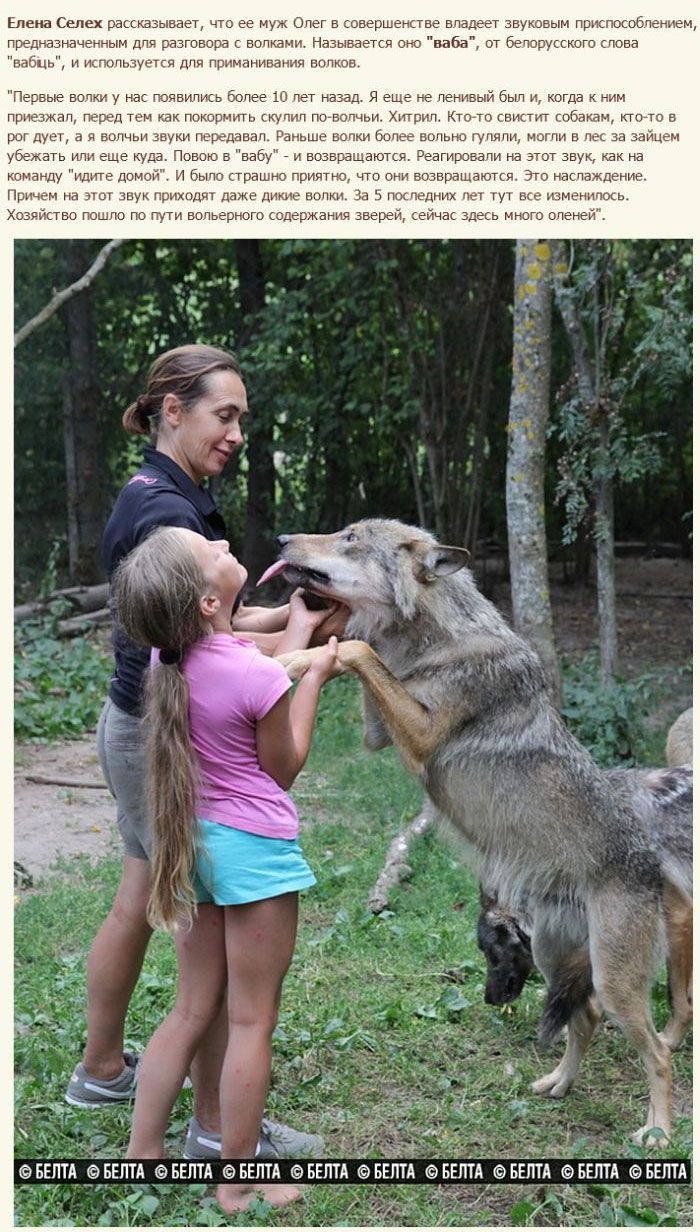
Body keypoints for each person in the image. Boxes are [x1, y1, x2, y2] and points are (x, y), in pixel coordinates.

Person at [65, 344, 345, 1161]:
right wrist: (303, 645)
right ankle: (217, 1128)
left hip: (145, 721)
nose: (235, 433)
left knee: (141, 896)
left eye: (242, 420)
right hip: (162, 737)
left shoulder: (163, 493)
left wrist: (294, 626)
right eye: (224, 415)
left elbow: (210, 632)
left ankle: (105, 1069)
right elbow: (213, 644)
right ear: (170, 408)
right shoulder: (168, 518)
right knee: (207, 956)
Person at [113, 525, 341, 1211]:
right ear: (209, 604)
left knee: (189, 1009)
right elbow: (286, 765)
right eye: (210, 552)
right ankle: (238, 1176)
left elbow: (245, 652)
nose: (221, 544)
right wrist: (317, 678)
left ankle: (142, 1153)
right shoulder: (254, 676)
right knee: (250, 1021)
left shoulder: (165, 658)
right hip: (253, 857)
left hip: (193, 850)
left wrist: (297, 631)